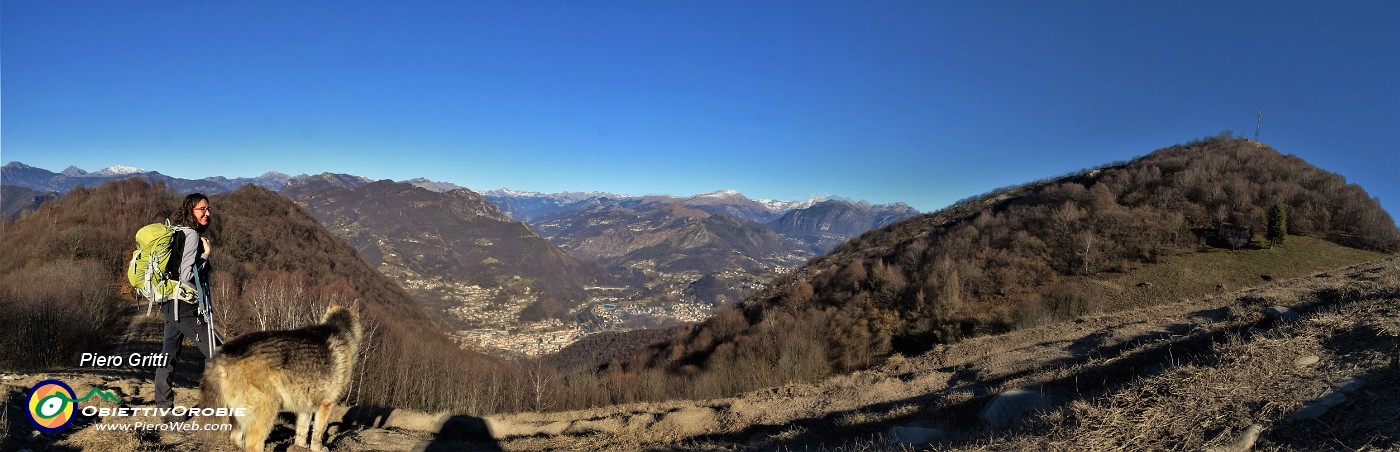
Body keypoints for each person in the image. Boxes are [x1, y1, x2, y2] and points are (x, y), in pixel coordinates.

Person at [153, 193, 221, 412]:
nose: (207, 213)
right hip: (182, 305)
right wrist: (205, 256)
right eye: (202, 209)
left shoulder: (177, 231)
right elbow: (186, 276)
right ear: (191, 210)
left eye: (208, 209)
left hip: (170, 302)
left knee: (168, 354)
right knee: (220, 352)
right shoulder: (190, 235)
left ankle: (164, 408)